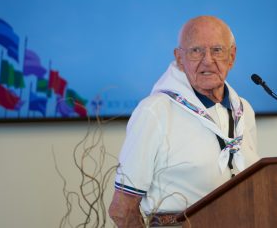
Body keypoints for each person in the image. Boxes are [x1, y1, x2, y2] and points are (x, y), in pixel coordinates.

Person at [108, 15, 260, 227]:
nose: (208, 60)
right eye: (196, 51)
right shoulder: (155, 111)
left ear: (232, 57)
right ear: (179, 58)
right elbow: (122, 209)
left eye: (217, 50)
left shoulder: (244, 110)